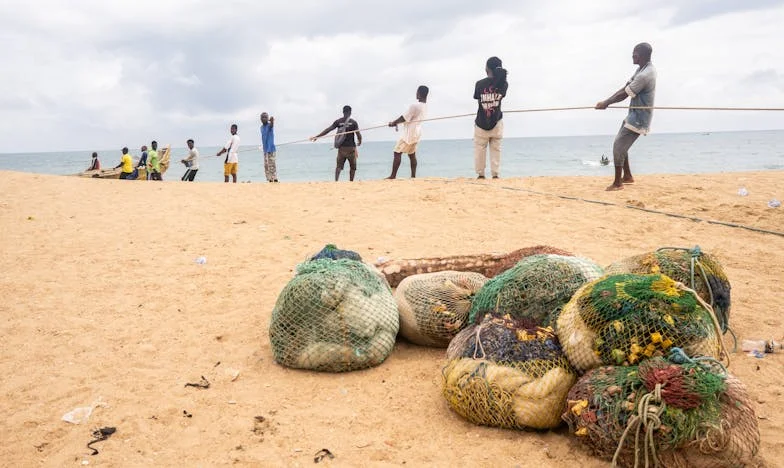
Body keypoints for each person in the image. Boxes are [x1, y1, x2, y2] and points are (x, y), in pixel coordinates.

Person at [596, 42, 657, 191]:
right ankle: (628, 176)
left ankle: (618, 183)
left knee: (618, 146)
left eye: (634, 54)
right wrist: (606, 101)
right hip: (633, 114)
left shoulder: (645, 75)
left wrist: (606, 103)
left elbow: (624, 94)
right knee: (622, 145)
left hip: (639, 117)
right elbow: (624, 88)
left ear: (641, 55)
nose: (632, 56)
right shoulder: (640, 70)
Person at [474, 56, 508, 179]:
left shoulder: (479, 84)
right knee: (496, 149)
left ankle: (481, 174)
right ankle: (495, 174)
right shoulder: (504, 84)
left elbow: (477, 97)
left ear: (487, 69)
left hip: (481, 123)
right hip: (496, 121)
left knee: (480, 149)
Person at [386, 85, 429, 179]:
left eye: (417, 92)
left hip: (409, 133)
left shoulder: (415, 106)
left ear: (420, 93)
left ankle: (393, 176)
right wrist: (396, 123)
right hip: (417, 133)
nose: (416, 94)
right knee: (412, 154)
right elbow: (408, 118)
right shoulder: (425, 106)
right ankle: (413, 176)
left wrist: (393, 123)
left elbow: (404, 118)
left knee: (397, 152)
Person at [310, 105, 362, 182]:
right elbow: (358, 134)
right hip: (351, 148)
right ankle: (351, 182)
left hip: (341, 148)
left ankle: (336, 181)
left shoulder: (338, 122)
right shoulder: (353, 122)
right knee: (353, 167)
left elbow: (328, 130)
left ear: (343, 112)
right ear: (350, 112)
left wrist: (317, 137)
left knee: (339, 167)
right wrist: (360, 141)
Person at [260, 112, 278, 182]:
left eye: (265, 117)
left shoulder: (270, 125)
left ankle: (275, 178)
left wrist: (271, 120)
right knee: (266, 165)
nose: (264, 118)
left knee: (272, 165)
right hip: (265, 149)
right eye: (262, 117)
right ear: (260, 119)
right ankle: (269, 179)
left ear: (267, 119)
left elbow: (272, 123)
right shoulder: (261, 128)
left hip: (271, 149)